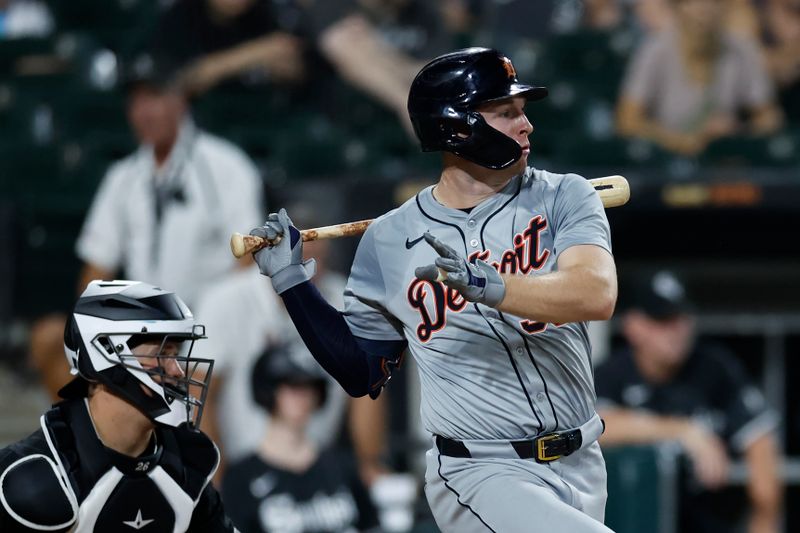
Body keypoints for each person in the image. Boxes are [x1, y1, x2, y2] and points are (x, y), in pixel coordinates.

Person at [248, 47, 618, 532]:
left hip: (582, 458)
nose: (526, 125)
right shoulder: (388, 240)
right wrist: (293, 284)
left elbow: (595, 294)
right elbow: (361, 370)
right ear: (457, 125)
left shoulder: (565, 195)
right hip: (479, 469)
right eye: (506, 113)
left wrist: (488, 283)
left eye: (522, 111)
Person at [0, 280, 239, 532]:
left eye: (175, 354)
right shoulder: (37, 477)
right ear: (104, 352)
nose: (177, 370)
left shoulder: (187, 460)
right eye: (162, 354)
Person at [196, 201, 388, 488]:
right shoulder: (225, 300)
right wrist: (217, 481)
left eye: (316, 255)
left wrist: (369, 465)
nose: (308, 266)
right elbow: (202, 394)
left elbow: (370, 388)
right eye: (299, 253)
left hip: (316, 466)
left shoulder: (345, 297)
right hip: (241, 468)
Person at [595, 270, 783, 533]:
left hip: (706, 519)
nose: (676, 330)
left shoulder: (714, 369)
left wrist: (765, 510)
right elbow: (598, 428)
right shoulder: (612, 374)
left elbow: (760, 437)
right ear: (634, 326)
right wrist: (683, 431)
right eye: (662, 320)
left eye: (681, 318)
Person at [222, 343, 379, 532]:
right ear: (268, 390)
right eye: (292, 386)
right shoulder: (241, 477)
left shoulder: (342, 467)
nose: (303, 396)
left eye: (310, 387)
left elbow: (371, 525)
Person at [616, 0, 783, 157]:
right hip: (667, 162)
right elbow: (627, 121)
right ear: (678, 8)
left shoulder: (742, 49)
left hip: (726, 160)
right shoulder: (655, 50)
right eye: (693, 2)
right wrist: (676, 140)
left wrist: (737, 131)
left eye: (713, 1)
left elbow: (769, 117)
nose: (704, 9)